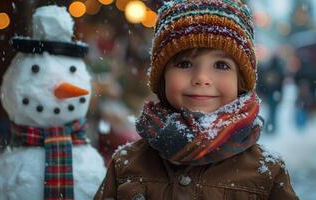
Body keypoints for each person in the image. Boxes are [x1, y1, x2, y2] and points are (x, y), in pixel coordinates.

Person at [94, 0, 298, 199]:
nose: (201, 78)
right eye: (184, 64)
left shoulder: (267, 172)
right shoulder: (126, 164)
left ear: (240, 81)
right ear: (162, 77)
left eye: (221, 65)